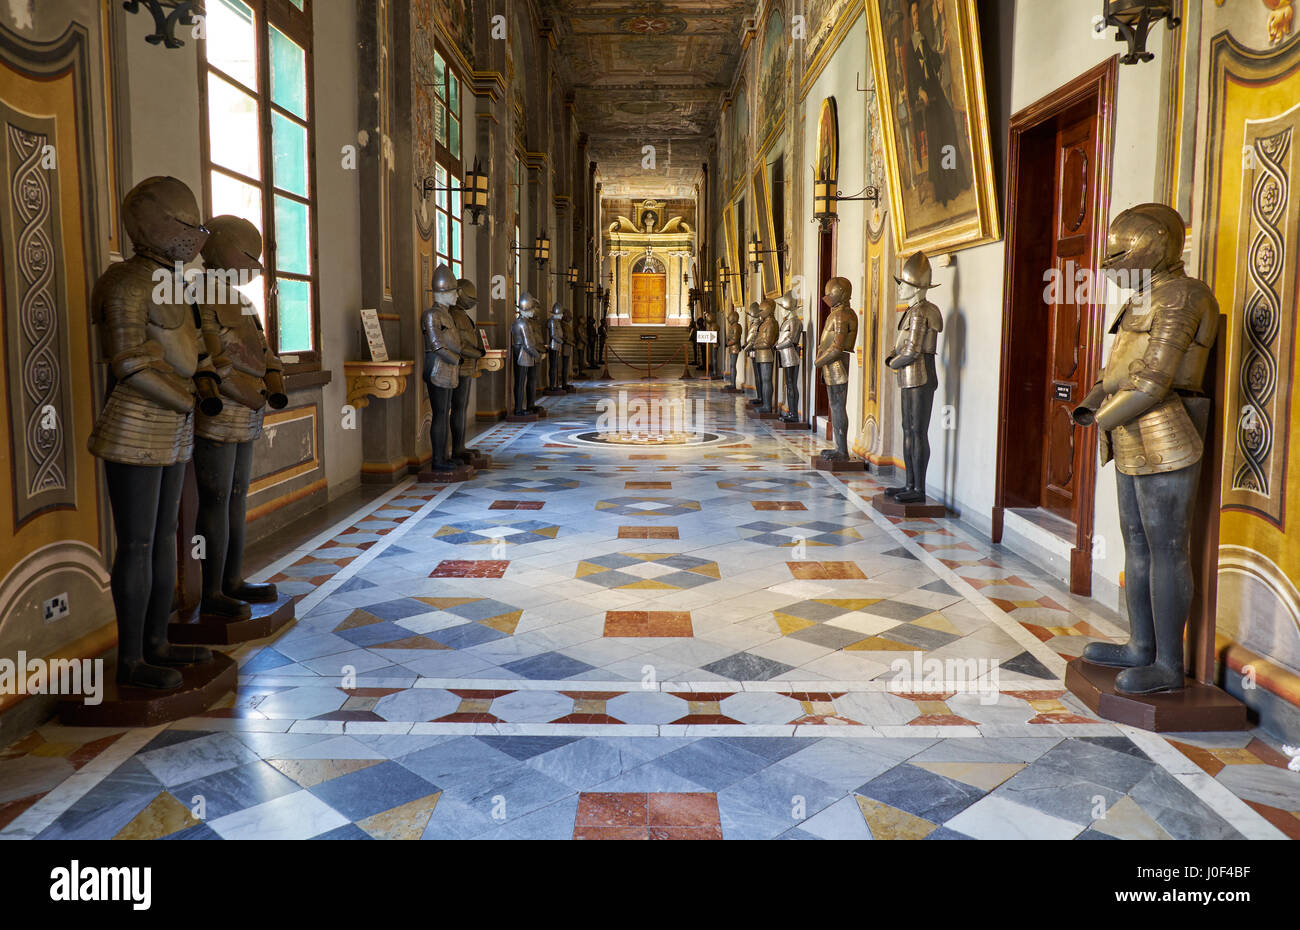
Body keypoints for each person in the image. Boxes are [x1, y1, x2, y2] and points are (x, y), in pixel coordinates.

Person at [1071, 204, 1219, 695]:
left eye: (1121, 250)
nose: (1112, 261)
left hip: (1168, 424)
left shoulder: (1184, 294)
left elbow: (1155, 380)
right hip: (1130, 425)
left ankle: (1169, 664)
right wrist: (1094, 405)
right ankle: (1140, 646)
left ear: (1155, 241)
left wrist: (1101, 417)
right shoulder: (1144, 296)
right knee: (1135, 541)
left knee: (1167, 546)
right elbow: (1115, 370)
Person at [885, 252, 943, 503]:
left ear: (917, 287)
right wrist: (893, 359)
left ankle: (919, 489)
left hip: (920, 375)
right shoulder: (913, 310)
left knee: (918, 431)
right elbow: (901, 345)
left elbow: (912, 349)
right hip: (909, 376)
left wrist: (892, 363)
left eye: (904, 284)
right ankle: (909, 483)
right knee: (908, 430)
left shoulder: (922, 312)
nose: (900, 288)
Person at [905, 0, 969, 206]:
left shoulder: (923, 40)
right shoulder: (908, 48)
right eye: (913, 14)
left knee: (949, 128)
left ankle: (954, 180)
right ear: (910, 17)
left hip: (936, 93)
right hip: (926, 100)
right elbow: (912, 77)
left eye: (918, 14)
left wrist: (944, 47)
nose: (916, 18)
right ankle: (943, 190)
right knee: (936, 141)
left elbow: (934, 61)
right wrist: (919, 91)